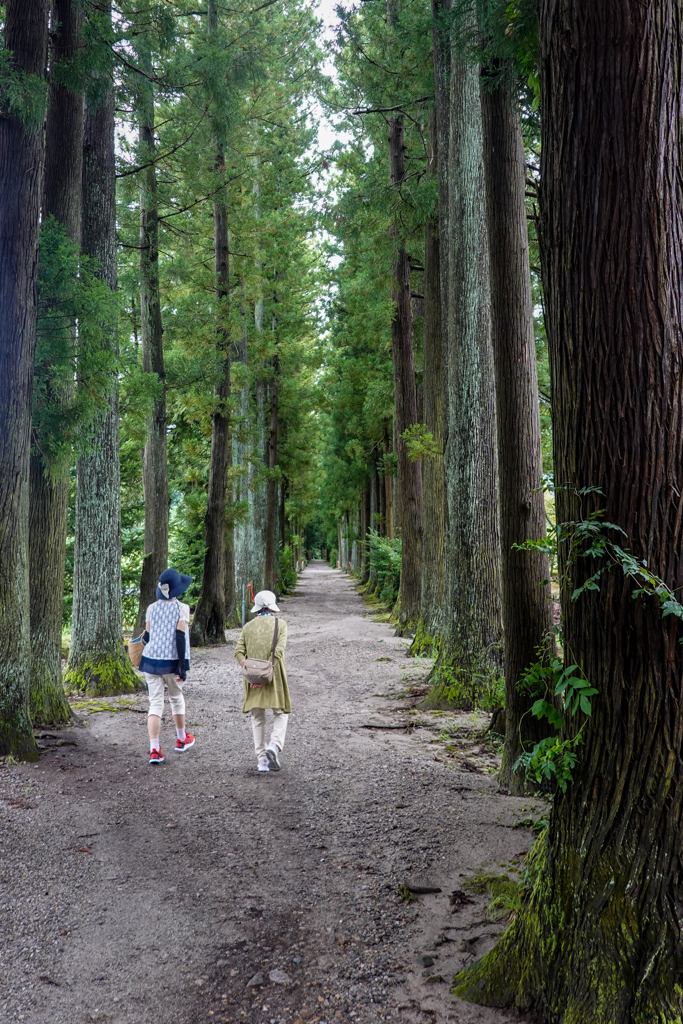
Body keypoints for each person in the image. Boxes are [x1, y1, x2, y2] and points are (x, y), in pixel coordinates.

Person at [138, 567, 195, 764]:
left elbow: (148, 637)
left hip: (150, 662)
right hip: (172, 662)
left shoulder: (151, 608)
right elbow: (180, 636)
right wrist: (182, 665)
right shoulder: (182, 608)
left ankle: (154, 750)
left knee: (155, 704)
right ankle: (181, 739)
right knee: (176, 698)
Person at [234, 589, 290, 772]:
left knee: (257, 717)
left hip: (252, 680)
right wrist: (266, 672)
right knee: (280, 712)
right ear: (272, 607)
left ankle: (262, 761)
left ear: (257, 608)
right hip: (275, 676)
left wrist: (252, 673)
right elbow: (279, 652)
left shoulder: (248, 627)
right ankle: (274, 746)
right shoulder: (280, 625)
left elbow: (238, 652)